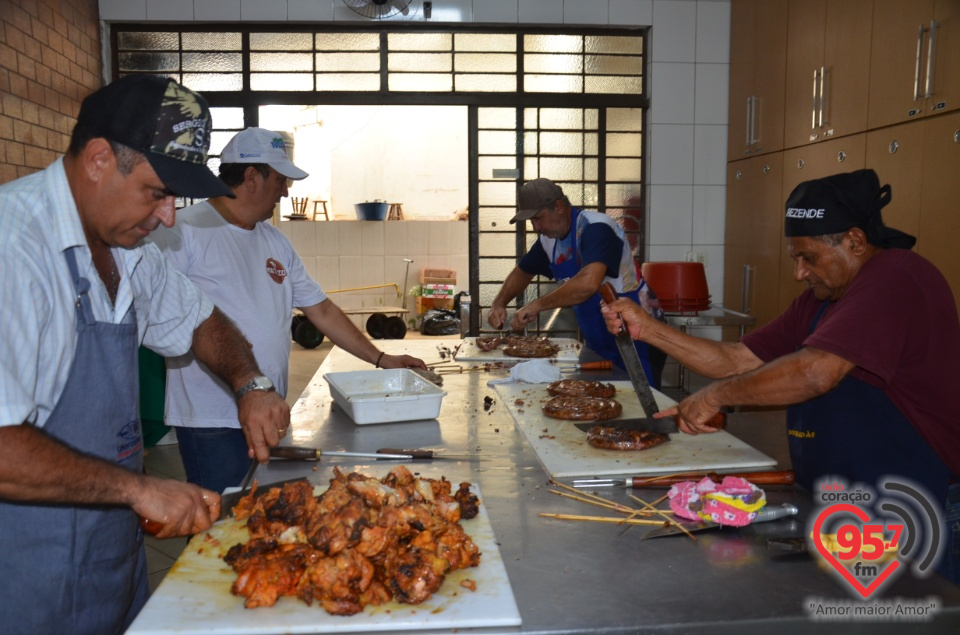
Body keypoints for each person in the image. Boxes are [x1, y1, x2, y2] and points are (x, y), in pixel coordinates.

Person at [0, 75, 292, 634]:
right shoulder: (16, 251)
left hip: (113, 559)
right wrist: (137, 487)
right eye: (157, 193)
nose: (169, 217)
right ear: (99, 160)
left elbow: (202, 318)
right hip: (25, 575)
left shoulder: (128, 250)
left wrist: (249, 384)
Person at [601, 169, 960, 584]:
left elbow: (815, 372)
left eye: (808, 258)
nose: (800, 274)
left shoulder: (896, 277)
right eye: (796, 259)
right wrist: (648, 328)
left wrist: (715, 397)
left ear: (856, 242)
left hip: (914, 504)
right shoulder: (822, 300)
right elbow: (736, 358)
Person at [149, 127, 426, 495]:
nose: (286, 190)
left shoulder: (274, 240)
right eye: (280, 180)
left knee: (264, 519)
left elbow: (321, 310)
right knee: (218, 525)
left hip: (270, 410)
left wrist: (380, 357)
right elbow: (159, 314)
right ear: (251, 177)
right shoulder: (183, 232)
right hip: (212, 418)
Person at [487, 178, 667, 387]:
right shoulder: (549, 241)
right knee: (598, 401)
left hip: (638, 333)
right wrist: (498, 303)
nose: (536, 227)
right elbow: (523, 272)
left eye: (539, 218)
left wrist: (537, 305)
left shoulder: (596, 227)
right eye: (531, 222)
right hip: (599, 338)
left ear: (558, 207)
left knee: (642, 404)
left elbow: (588, 283)